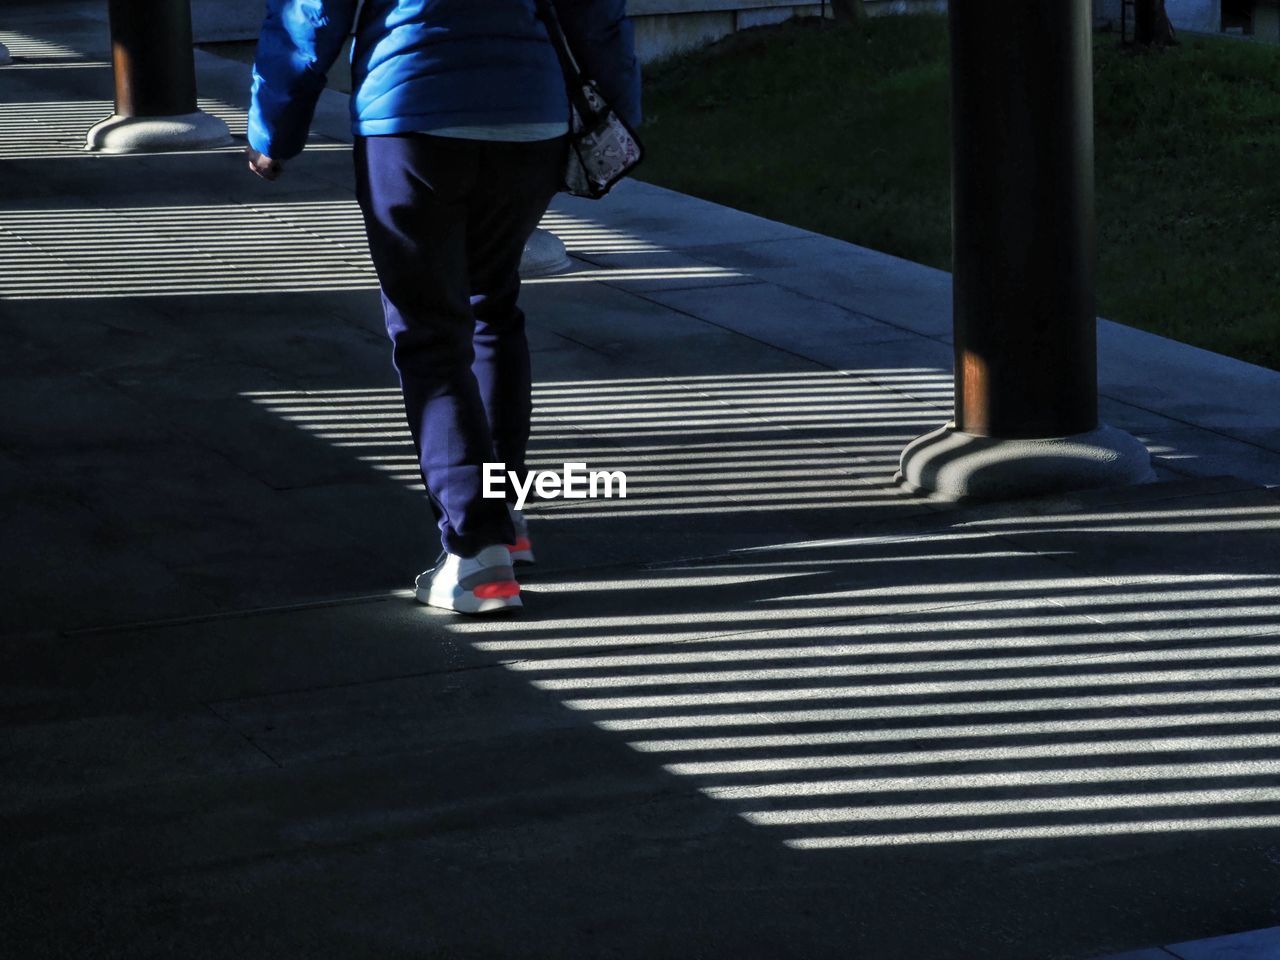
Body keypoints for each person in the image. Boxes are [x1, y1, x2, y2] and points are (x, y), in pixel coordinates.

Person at [245, 0, 640, 614]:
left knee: (431, 333)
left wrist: (275, 128)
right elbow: (596, 13)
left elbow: (313, 13)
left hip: (413, 117)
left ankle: (478, 555)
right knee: (492, 307)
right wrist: (620, 116)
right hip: (529, 117)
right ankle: (502, 515)